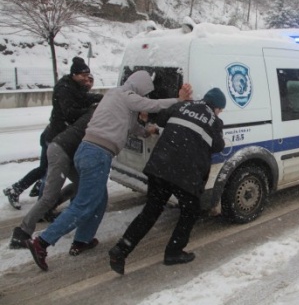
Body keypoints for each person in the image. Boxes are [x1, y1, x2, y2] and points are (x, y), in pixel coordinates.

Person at [25, 70, 192, 271]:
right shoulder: (123, 94)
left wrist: (149, 130)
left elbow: (134, 128)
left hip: (90, 152)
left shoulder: (121, 101)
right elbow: (151, 105)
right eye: (145, 92)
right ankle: (42, 242)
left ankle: (82, 240)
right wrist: (178, 100)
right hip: (96, 153)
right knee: (84, 205)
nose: (145, 96)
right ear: (139, 86)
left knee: (99, 200)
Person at [108, 87, 226, 275]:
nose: (220, 113)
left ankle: (120, 250)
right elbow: (218, 146)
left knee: (150, 211)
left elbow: (160, 119)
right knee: (190, 211)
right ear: (217, 107)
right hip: (184, 174)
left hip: (160, 167)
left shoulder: (182, 106)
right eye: (221, 109)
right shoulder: (214, 121)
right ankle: (173, 252)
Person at [3, 62, 99, 210]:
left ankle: (22, 188)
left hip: (57, 136)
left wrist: (101, 97)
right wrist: (89, 111)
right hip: (54, 137)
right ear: (74, 74)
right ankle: (41, 205)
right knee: (48, 172)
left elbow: (85, 97)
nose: (86, 80)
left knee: (46, 169)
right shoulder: (65, 89)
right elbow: (70, 112)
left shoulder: (74, 88)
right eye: (84, 76)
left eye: (89, 77)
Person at [9, 106, 96, 250]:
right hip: (61, 151)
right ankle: (22, 232)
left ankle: (52, 204)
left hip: (66, 151)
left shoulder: (94, 110)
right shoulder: (97, 113)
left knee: (83, 183)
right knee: (49, 196)